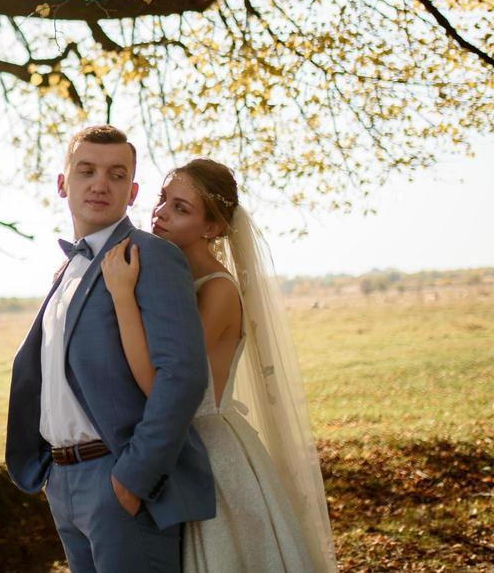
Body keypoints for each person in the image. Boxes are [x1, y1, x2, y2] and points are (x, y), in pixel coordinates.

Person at [100, 158, 338, 572]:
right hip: (171, 442)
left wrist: (122, 298)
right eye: (162, 200)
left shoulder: (218, 291)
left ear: (212, 228)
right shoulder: (164, 281)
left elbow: (163, 384)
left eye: (181, 208)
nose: (160, 213)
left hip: (211, 453)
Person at [6, 125, 215, 573]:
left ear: (133, 190)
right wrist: (52, 474)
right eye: (87, 171)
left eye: (116, 175)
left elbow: (182, 375)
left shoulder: (151, 256)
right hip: (62, 481)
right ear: (64, 184)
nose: (100, 184)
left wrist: (135, 478)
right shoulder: (67, 268)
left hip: (117, 479)